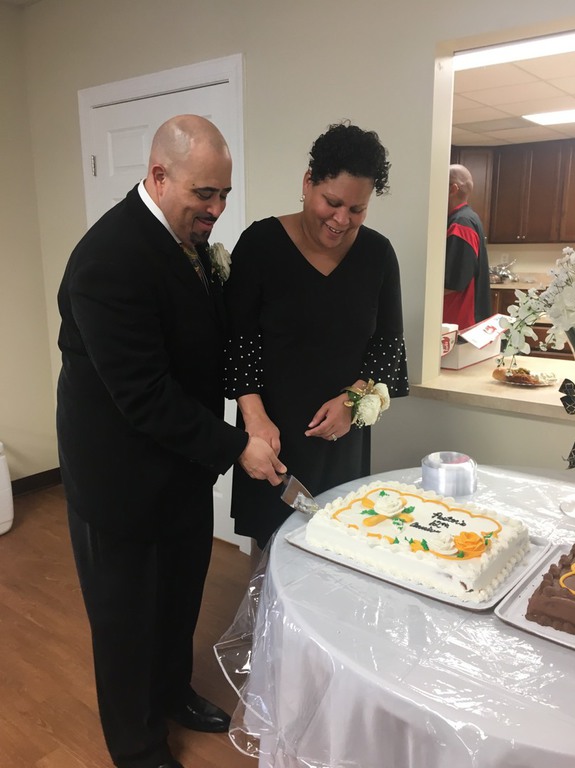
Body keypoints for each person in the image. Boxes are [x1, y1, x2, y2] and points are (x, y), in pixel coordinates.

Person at [56, 115, 285, 768]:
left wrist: (252, 408)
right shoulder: (107, 259)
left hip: (181, 467)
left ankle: (173, 694)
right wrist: (236, 446)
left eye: (223, 194)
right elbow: (144, 394)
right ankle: (136, 746)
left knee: (179, 598)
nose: (216, 209)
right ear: (158, 176)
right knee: (126, 620)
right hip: (118, 479)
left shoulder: (189, 242)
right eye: (203, 194)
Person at [224, 121, 409, 552]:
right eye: (333, 202)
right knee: (272, 555)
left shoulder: (378, 255)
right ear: (308, 183)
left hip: (342, 437)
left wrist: (353, 401)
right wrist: (254, 418)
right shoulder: (260, 244)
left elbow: (388, 347)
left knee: (341, 549)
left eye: (357, 209)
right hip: (270, 433)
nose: (342, 219)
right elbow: (237, 341)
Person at [443, 164, 491, 329]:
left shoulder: (460, 224)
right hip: (466, 320)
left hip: (459, 322)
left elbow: (453, 282)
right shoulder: (470, 218)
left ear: (453, 189)